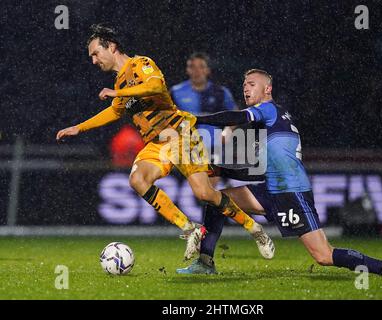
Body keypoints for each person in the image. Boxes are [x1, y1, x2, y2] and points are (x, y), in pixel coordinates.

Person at [56, 25, 274, 261]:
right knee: (137, 180)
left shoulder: (140, 64)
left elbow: (156, 86)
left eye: (96, 53)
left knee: (204, 193)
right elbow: (114, 112)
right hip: (157, 143)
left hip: (179, 134)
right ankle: (190, 229)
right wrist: (79, 127)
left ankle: (255, 229)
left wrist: (117, 94)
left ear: (112, 46)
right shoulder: (120, 84)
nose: (94, 60)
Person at [176, 69, 382, 276]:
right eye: (243, 86)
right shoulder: (272, 123)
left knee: (323, 255)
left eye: (251, 84)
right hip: (270, 190)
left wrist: (197, 119)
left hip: (292, 193)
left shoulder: (268, 109)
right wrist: (221, 169)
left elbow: (237, 117)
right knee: (216, 200)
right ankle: (205, 262)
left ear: (267, 88)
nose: (245, 89)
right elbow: (256, 173)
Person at [170, 52, 236, 166]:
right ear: (187, 70)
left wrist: (228, 130)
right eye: (192, 66)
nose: (197, 71)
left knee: (210, 181)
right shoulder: (176, 92)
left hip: (214, 145)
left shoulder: (220, 92)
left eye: (201, 66)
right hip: (186, 147)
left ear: (208, 70)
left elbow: (235, 114)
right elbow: (165, 116)